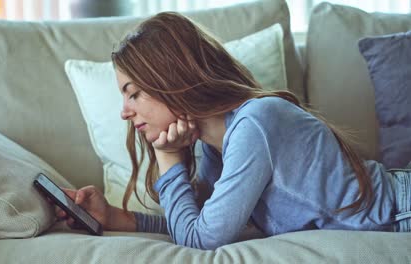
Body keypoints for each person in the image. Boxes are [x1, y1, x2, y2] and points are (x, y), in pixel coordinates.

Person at [56, 11, 411, 250]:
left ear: (172, 80)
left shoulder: (254, 124)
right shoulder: (217, 143)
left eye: (134, 93)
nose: (125, 112)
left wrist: (167, 156)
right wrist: (116, 218)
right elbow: (202, 223)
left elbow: (199, 238)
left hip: (401, 212)